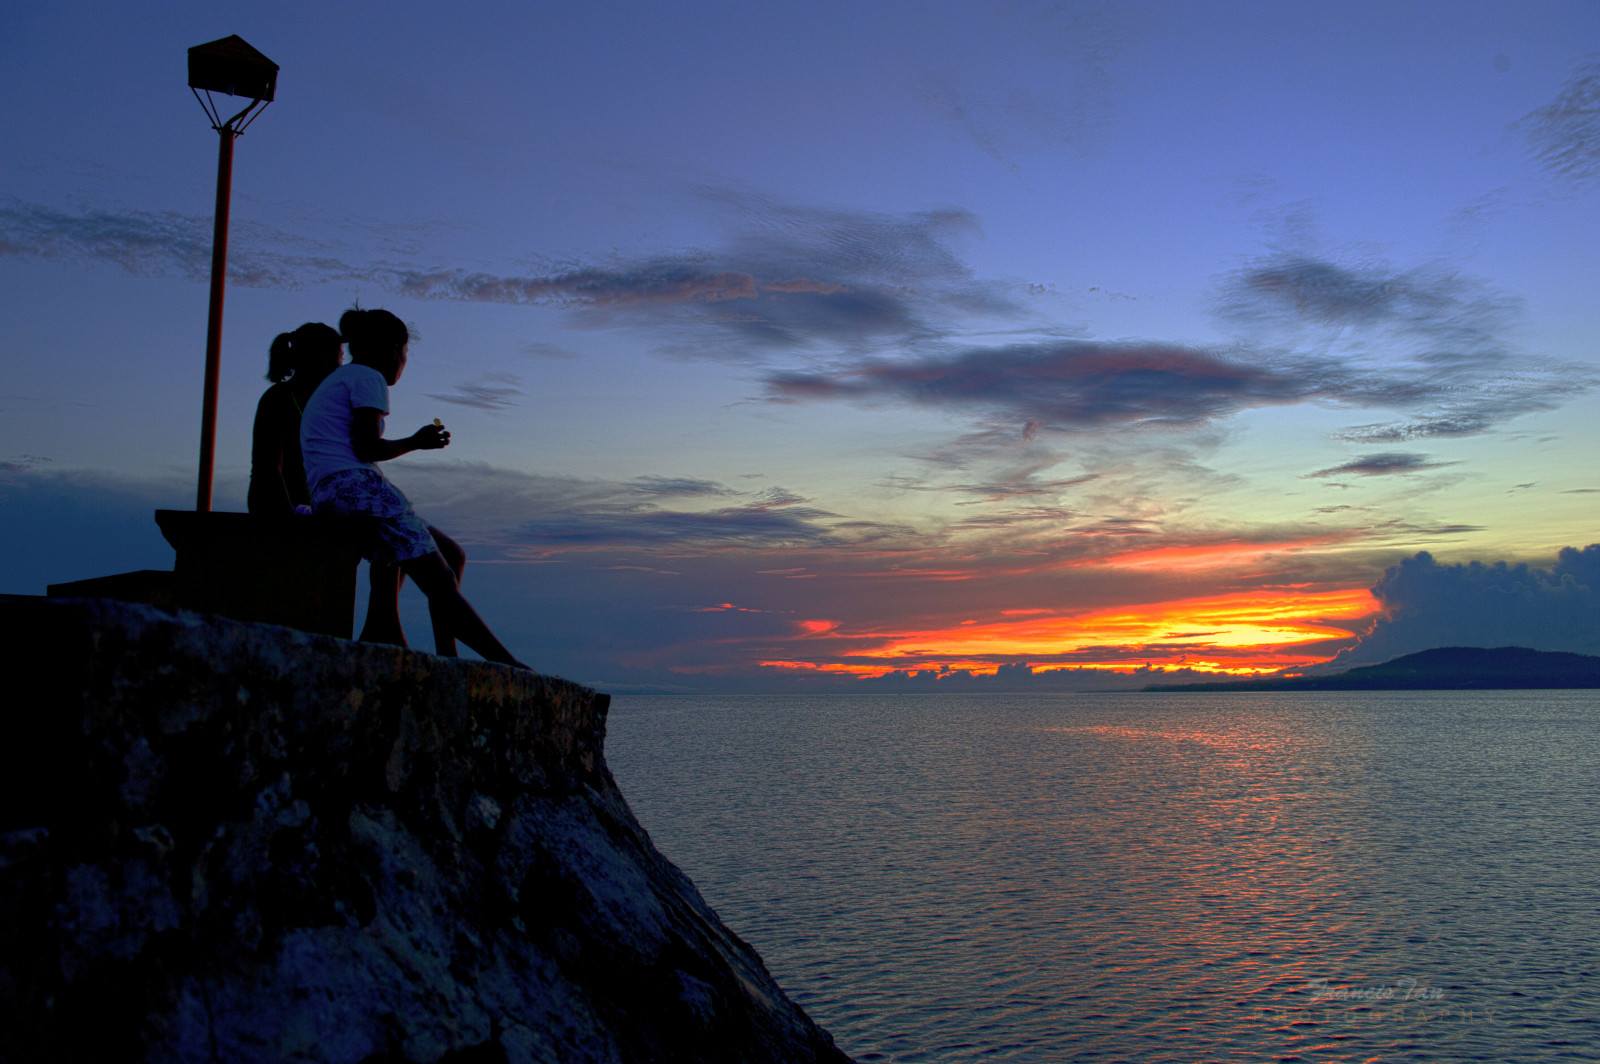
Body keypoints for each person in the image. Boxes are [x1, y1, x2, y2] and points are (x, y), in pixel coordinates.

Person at [300, 307, 527, 668]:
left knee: (450, 554)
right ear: (394, 350)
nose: (404, 362)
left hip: (332, 493)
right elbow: (367, 447)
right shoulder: (367, 377)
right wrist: (416, 441)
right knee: (439, 579)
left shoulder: (341, 378)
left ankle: (443, 655)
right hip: (355, 490)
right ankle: (512, 668)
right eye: (405, 353)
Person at [248, 323, 343, 516]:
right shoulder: (277, 398)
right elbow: (267, 467)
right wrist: (289, 516)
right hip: (278, 509)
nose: (339, 363)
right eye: (336, 354)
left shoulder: (328, 401)